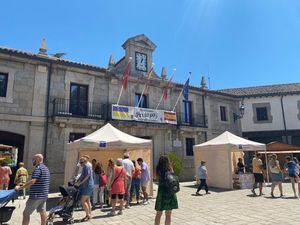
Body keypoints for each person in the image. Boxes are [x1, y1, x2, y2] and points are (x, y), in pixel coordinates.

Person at [15, 154, 50, 225]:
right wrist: (24, 183)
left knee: (26, 213)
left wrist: (20, 187)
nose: (32, 161)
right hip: (44, 195)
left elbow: (33, 181)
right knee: (42, 212)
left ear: (37, 159)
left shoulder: (38, 168)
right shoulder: (46, 168)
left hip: (36, 196)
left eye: (33, 159)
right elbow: (39, 180)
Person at [154, 155, 178, 225]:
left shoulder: (158, 169)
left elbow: (154, 178)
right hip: (170, 192)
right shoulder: (170, 169)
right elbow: (173, 178)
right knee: (168, 215)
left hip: (161, 193)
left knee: (158, 214)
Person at [76, 157, 94, 221]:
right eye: (80, 162)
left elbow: (88, 175)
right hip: (89, 185)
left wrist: (81, 182)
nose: (80, 164)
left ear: (85, 161)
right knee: (87, 201)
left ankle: (88, 215)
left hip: (87, 185)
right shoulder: (86, 166)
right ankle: (89, 214)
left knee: (83, 201)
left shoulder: (86, 166)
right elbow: (82, 175)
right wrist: (77, 180)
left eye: (81, 162)